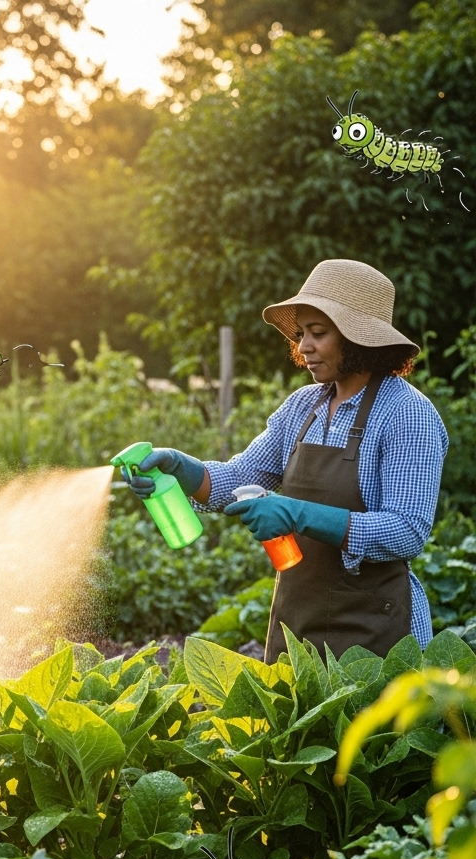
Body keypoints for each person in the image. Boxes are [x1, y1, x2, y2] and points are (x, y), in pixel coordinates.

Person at [123, 259, 449, 662]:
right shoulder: (302, 407)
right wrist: (182, 469)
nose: (303, 347)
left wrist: (297, 514)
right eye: (300, 335)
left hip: (377, 632)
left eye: (318, 333)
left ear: (359, 337)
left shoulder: (407, 414)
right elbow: (241, 477)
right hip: (298, 626)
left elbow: (406, 531)